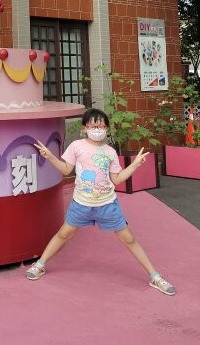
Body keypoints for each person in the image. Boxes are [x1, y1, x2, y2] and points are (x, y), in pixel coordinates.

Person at [29, 108, 176, 295]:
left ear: (106, 127)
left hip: (107, 204)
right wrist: (49, 156)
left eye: (100, 125)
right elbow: (66, 170)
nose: (97, 129)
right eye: (93, 125)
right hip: (81, 203)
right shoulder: (76, 146)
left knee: (129, 239)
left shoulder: (110, 152)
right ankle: (40, 264)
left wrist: (135, 165)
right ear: (85, 127)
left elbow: (116, 179)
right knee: (63, 234)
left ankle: (155, 277)